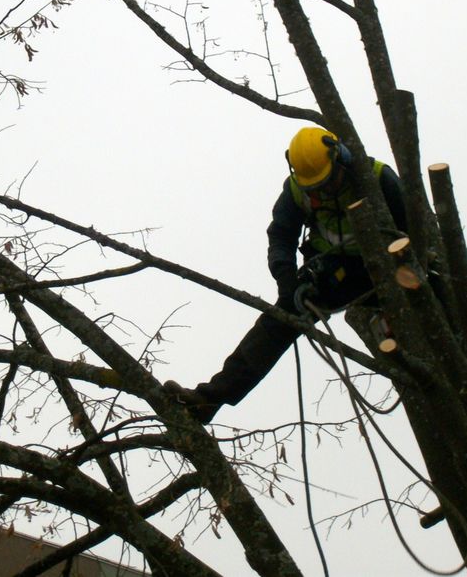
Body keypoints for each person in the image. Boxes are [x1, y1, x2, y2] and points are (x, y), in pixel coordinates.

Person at [166, 126, 408, 424]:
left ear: (340, 159)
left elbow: (415, 234)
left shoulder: (377, 179)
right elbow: (281, 236)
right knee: (276, 323)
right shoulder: (296, 189)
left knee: (422, 317)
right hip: (334, 272)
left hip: (391, 271)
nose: (320, 192)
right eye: (313, 188)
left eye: (325, 183)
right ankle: (210, 398)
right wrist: (287, 280)